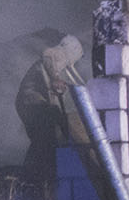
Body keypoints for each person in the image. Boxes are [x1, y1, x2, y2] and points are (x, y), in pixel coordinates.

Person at [15, 33, 86, 182]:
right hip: (31, 100)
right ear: (74, 50)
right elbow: (47, 54)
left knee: (45, 139)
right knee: (45, 135)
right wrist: (55, 78)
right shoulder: (58, 55)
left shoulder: (59, 68)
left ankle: (35, 175)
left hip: (28, 102)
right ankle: (30, 175)